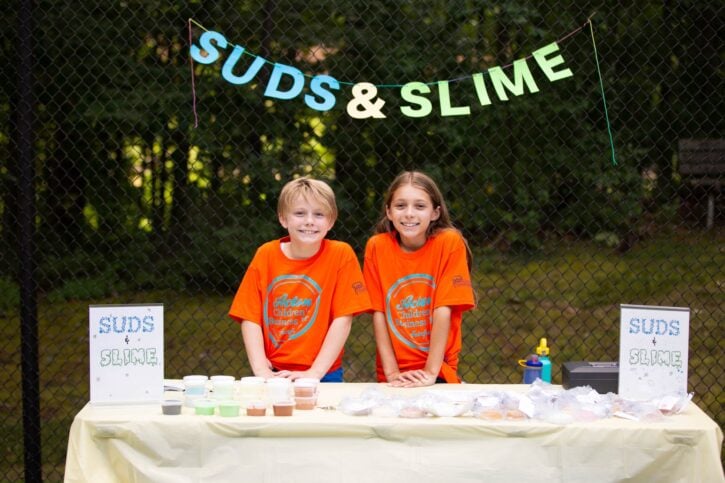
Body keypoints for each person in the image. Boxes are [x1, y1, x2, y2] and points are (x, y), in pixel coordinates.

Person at [229, 177, 371, 382]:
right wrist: (262, 371)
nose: (309, 221)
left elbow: (343, 319)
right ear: (283, 218)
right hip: (274, 373)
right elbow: (249, 317)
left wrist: (314, 374)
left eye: (319, 214)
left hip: (323, 373)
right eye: (299, 213)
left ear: (331, 221)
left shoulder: (341, 255)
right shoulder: (266, 255)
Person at [363, 171, 475, 387]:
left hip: (438, 367)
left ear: (435, 213)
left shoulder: (449, 242)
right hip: (394, 370)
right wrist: (391, 372)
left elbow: (443, 309)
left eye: (420, 206)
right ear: (389, 211)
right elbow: (379, 312)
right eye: (401, 206)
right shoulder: (377, 247)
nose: (409, 214)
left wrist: (430, 373)